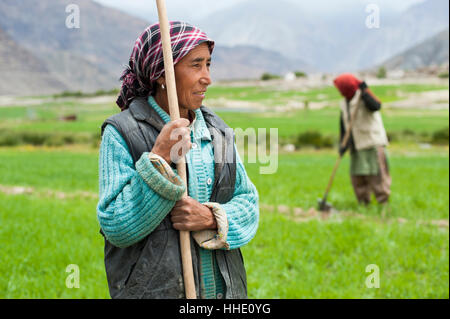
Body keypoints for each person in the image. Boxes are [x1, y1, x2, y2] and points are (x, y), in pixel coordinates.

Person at [96, 21, 259, 299]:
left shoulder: (217, 131)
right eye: (196, 65)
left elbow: (248, 204)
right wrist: (158, 158)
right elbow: (115, 226)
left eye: (208, 64)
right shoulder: (122, 133)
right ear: (163, 74)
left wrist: (210, 217)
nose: (207, 77)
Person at [333, 73, 391, 205]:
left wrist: (365, 91)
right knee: (358, 177)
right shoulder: (344, 102)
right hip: (356, 145)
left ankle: (383, 203)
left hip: (371, 142)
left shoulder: (363, 97)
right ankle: (363, 204)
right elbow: (344, 125)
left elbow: (376, 106)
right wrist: (343, 145)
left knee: (377, 176)